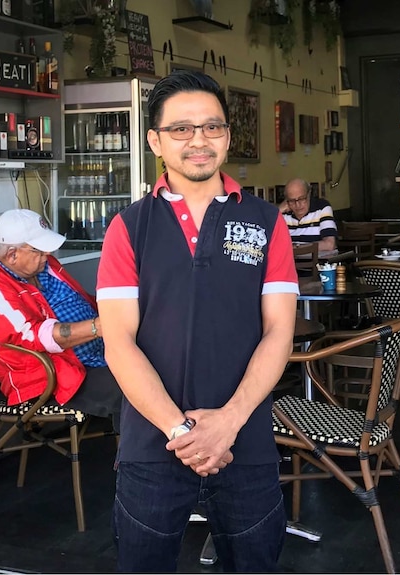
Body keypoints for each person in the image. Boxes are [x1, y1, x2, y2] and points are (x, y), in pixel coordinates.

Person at [96, 70, 299, 573]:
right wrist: (183, 431)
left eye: (211, 127)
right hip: (152, 447)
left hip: (245, 445)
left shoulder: (268, 223)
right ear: (155, 141)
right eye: (181, 129)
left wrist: (227, 423)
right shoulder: (128, 228)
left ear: (228, 136)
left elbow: (279, 330)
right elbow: (118, 342)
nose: (198, 141)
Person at [0, 208, 122, 428]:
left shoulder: (43, 266)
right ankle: (139, 460)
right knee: (135, 390)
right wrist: (98, 327)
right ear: (12, 255)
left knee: (164, 367)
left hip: (99, 353)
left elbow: (82, 300)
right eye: (39, 251)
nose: (47, 256)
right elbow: (35, 336)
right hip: (54, 375)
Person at [279, 178, 338, 251]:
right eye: (292, 200)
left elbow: (329, 244)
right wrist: (278, 212)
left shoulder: (321, 207)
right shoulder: (283, 214)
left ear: (309, 194)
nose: (298, 205)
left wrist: (295, 249)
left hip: (317, 261)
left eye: (302, 199)